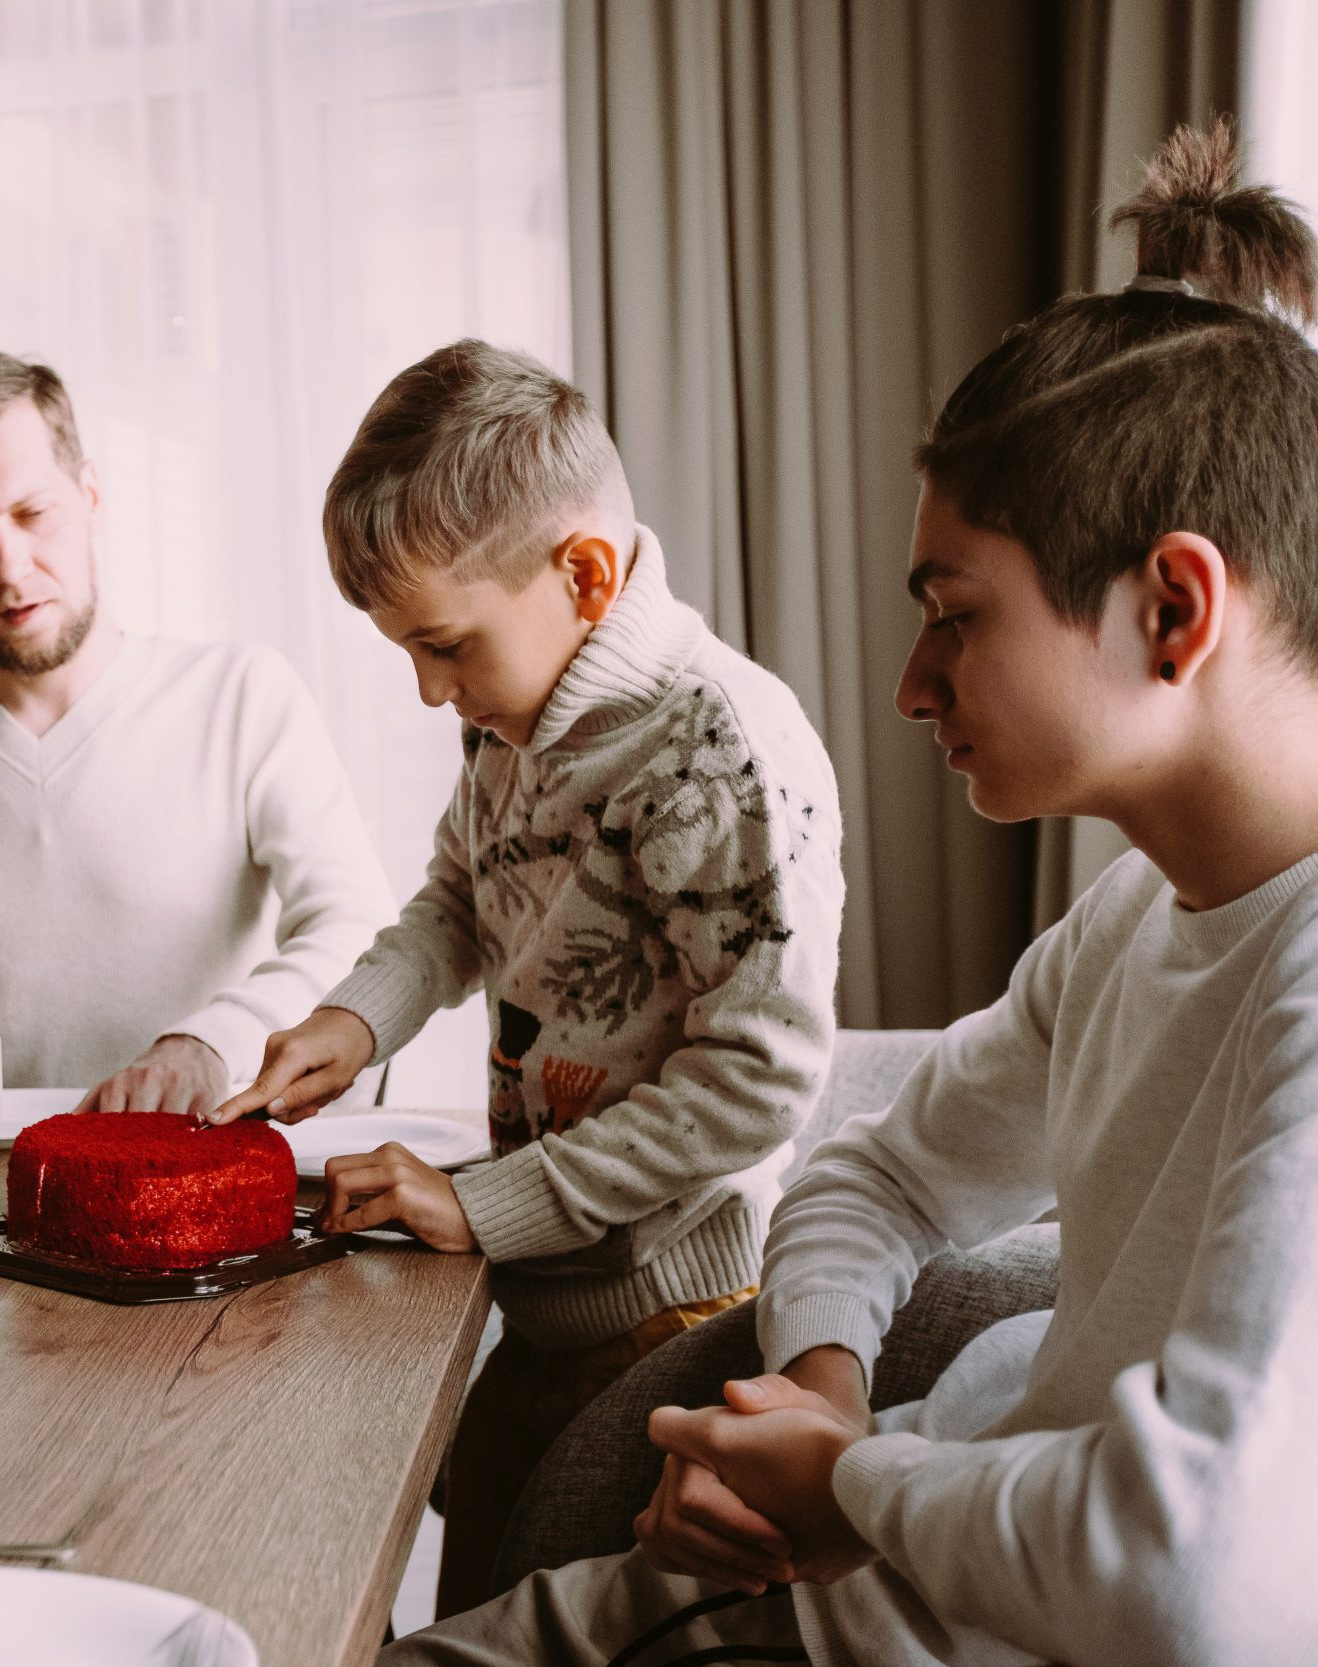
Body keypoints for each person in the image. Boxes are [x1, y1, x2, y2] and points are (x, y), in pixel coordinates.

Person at [385, 122, 1318, 1666]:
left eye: (956, 614)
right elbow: (871, 1176)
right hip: (872, 1576)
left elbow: (1200, 1573)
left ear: (1173, 606)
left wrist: (853, 1486)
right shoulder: (1130, 922)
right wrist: (819, 1394)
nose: (910, 683)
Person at [208, 339, 845, 1609]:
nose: (427, 688)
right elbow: (458, 901)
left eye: (444, 644)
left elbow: (754, 1082)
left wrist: (483, 1203)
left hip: (672, 1323)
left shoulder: (717, 750)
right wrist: (353, 1020)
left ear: (584, 575)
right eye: (405, 651)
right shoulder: (511, 719)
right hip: (546, 1301)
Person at [0, 351, 394, 1114]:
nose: (9, 567)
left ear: (90, 496)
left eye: (32, 514)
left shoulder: (242, 695)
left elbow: (358, 928)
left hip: (192, 1162)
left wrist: (212, 1043)